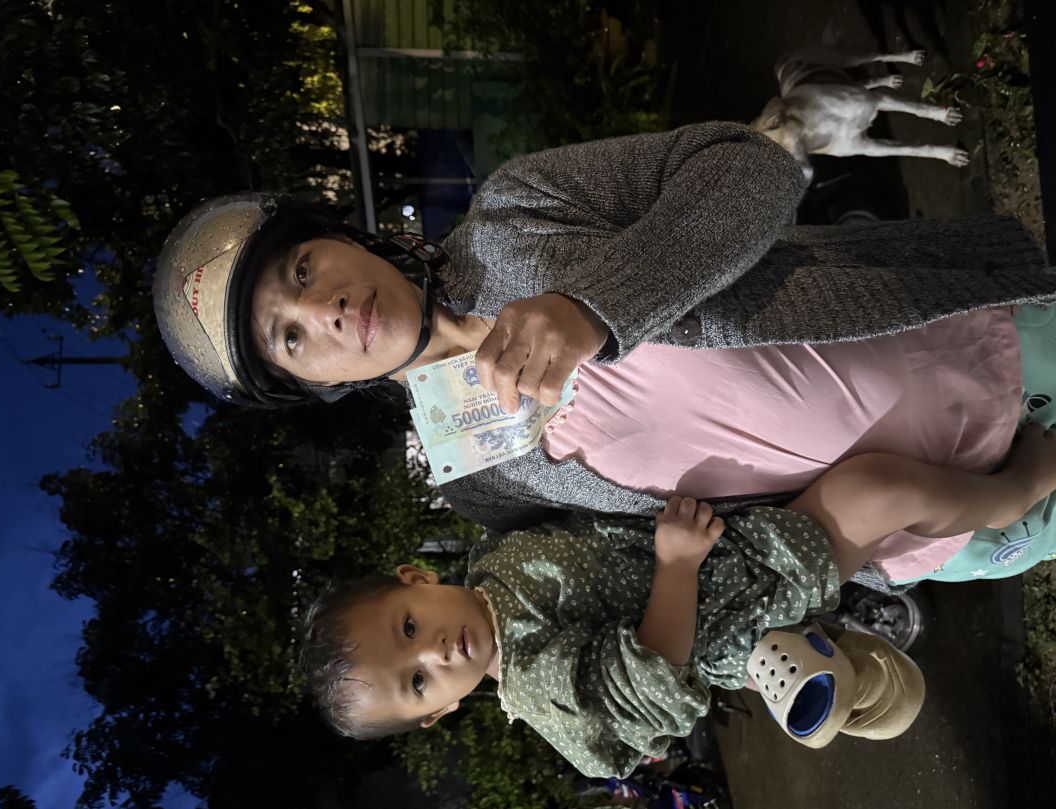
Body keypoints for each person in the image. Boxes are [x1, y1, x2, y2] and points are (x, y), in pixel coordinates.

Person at [153, 122, 1056, 586]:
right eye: (289, 337)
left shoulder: (517, 211)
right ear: (311, 384)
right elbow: (632, 570)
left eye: (303, 269)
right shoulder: (479, 484)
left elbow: (749, 165)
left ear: (339, 238)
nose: (323, 309)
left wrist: (597, 305)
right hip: (935, 522)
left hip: (978, 342)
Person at [300, 424, 1056, 777]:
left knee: (874, 488)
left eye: (408, 628)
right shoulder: (531, 681)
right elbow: (653, 672)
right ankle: (1020, 489)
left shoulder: (493, 564)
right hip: (730, 599)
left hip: (715, 545)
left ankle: (850, 672)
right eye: (418, 681)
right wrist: (677, 565)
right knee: (876, 491)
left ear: (416, 580)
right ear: (437, 712)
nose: (435, 653)